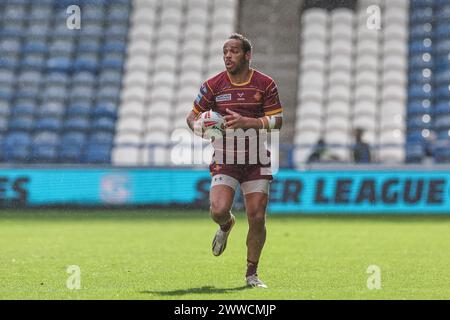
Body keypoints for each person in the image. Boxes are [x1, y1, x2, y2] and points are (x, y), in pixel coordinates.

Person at [186, 33, 283, 288]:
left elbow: (277, 121)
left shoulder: (265, 84)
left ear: (247, 55)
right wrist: (202, 130)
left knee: (257, 217)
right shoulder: (213, 85)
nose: (228, 56)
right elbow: (191, 118)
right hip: (225, 157)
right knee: (218, 210)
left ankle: (252, 274)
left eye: (234, 51)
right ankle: (227, 224)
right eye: (225, 52)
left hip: (256, 158)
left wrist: (247, 122)